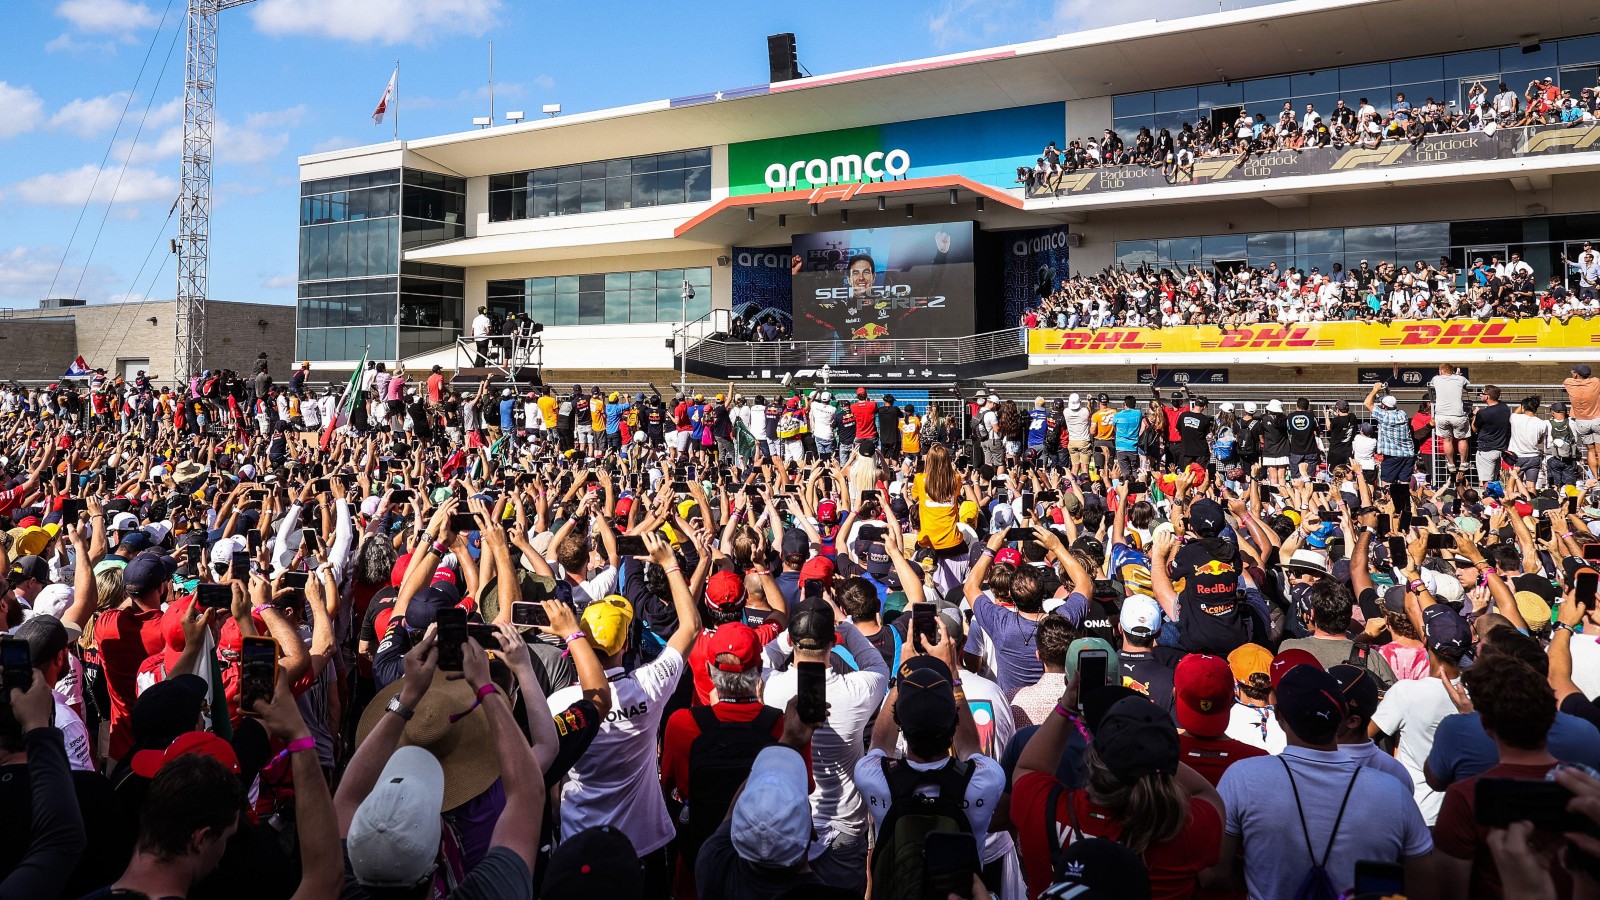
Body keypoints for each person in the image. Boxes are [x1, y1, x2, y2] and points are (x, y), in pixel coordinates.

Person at [546, 533, 700, 892]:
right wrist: (670, 565)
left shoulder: (559, 704)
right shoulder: (649, 685)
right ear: (627, 643)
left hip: (579, 839)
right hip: (645, 839)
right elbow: (690, 627)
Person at [1205, 665, 1435, 899]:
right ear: (1342, 719)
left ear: (1279, 718)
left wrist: (1261, 872)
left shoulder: (1243, 778)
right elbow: (1422, 885)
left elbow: (1213, 875)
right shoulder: (1392, 789)